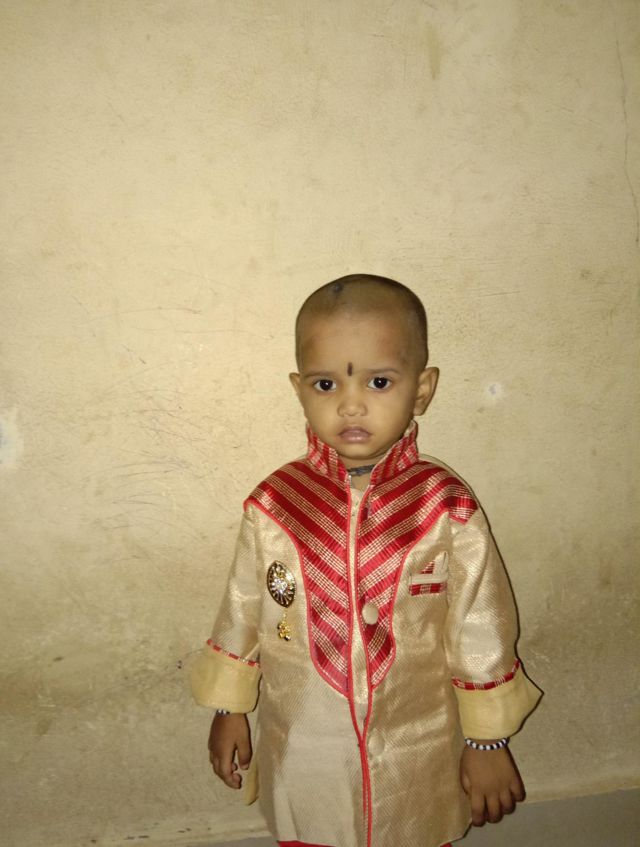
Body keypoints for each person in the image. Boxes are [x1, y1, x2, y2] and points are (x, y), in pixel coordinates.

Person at [190, 274, 542, 847]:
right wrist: (229, 707)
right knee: (310, 827)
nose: (350, 404)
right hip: (303, 742)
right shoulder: (275, 505)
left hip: (417, 741)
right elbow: (244, 607)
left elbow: (481, 626)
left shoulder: (444, 505)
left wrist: (486, 741)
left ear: (422, 390)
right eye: (325, 383)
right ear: (299, 389)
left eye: (379, 381)